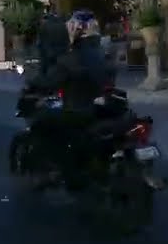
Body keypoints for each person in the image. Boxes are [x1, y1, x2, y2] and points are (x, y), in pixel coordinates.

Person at [26, 9, 114, 183]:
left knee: (42, 120)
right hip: (103, 107)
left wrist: (35, 84)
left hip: (79, 110)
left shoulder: (72, 57)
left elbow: (51, 80)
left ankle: (61, 169)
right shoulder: (101, 53)